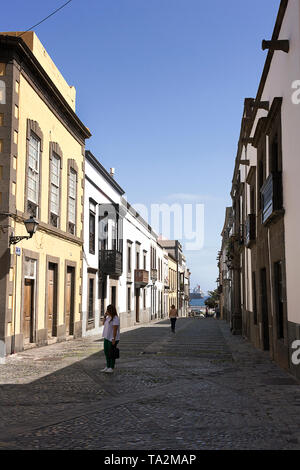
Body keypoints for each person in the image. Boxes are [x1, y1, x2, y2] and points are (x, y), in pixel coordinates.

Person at [101, 304, 120, 374]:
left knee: (111, 353)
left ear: (111, 310)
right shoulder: (108, 318)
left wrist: (114, 339)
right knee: (106, 352)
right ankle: (107, 366)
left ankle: (111, 367)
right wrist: (105, 316)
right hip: (106, 337)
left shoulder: (115, 318)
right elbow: (103, 323)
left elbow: (115, 330)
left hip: (112, 338)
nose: (106, 311)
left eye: (108, 310)